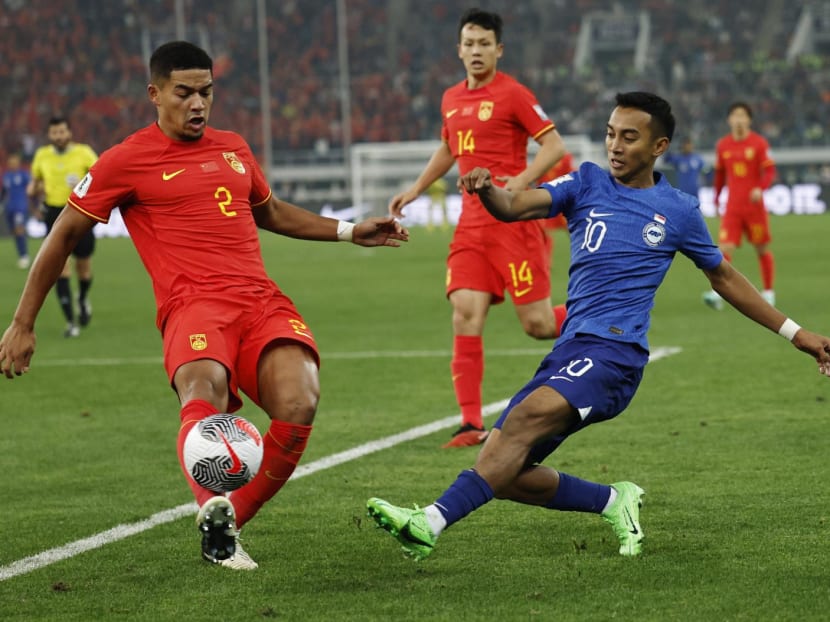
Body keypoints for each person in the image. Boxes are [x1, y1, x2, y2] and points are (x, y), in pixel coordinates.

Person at [366, 92, 830, 561]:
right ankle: (613, 500)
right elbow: (513, 205)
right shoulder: (586, 182)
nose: (615, 145)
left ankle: (427, 522)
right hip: (570, 350)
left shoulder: (678, 210)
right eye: (611, 134)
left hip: (616, 355)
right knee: (503, 470)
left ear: (658, 146)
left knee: (521, 424)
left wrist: (798, 334)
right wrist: (487, 189)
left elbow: (725, 277)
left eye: (629, 137)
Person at [0, 40, 408, 571]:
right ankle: (212, 510)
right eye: (184, 93)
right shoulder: (124, 160)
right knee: (202, 391)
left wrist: (352, 230)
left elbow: (274, 212)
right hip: (193, 306)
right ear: (155, 94)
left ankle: (226, 520)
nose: (198, 104)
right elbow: (61, 236)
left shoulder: (234, 147)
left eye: (207, 93)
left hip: (260, 301)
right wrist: (22, 323)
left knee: (301, 400)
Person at [388, 8, 568, 448]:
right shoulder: (451, 98)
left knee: (539, 325)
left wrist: (522, 182)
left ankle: (600, 317)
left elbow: (554, 144)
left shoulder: (513, 95)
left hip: (512, 223)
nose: (475, 51)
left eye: (483, 43)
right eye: (468, 43)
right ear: (459, 49)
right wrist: (415, 189)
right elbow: (450, 148)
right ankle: (470, 424)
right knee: (464, 314)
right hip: (471, 228)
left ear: (498, 50)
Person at [27, 117, 99, 337]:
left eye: (61, 132)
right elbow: (36, 183)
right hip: (54, 215)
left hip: (81, 214)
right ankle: (71, 322)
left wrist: (82, 183)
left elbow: (100, 178)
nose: (58, 136)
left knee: (84, 268)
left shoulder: (84, 153)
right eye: (54, 133)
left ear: (69, 133)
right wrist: (33, 190)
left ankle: (82, 298)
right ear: (50, 135)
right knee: (60, 268)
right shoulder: (42, 156)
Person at [703, 102, 777, 311]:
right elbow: (719, 176)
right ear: (729, 120)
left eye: (743, 115)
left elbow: (770, 171)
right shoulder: (723, 145)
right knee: (724, 248)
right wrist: (717, 198)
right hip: (733, 206)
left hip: (754, 208)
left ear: (749, 120)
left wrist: (760, 188)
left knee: (761, 248)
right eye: (735, 115)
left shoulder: (759, 144)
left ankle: (769, 292)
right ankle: (718, 294)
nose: (738, 119)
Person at [1, 153, 33, 269]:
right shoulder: (6, 176)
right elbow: (4, 192)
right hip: (10, 207)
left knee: (19, 230)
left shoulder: (24, 175)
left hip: (21, 207)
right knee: (15, 232)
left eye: (14, 162)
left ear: (18, 163)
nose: (12, 165)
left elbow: (31, 190)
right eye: (10, 163)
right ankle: (21, 254)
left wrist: (32, 205)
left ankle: (24, 256)